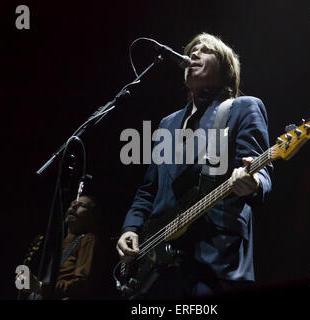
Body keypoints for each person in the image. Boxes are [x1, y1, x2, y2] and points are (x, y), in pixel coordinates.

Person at [116, 32, 273, 299]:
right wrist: (131, 227)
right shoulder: (168, 123)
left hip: (214, 259)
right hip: (159, 264)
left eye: (205, 50)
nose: (195, 54)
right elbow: (149, 188)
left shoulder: (242, 109)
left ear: (225, 66)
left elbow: (262, 170)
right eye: (192, 50)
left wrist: (253, 184)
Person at [17, 194, 106, 300]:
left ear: (93, 217)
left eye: (81, 205)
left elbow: (82, 285)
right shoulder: (62, 242)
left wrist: (39, 286)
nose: (73, 206)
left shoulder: (88, 239)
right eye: (72, 204)